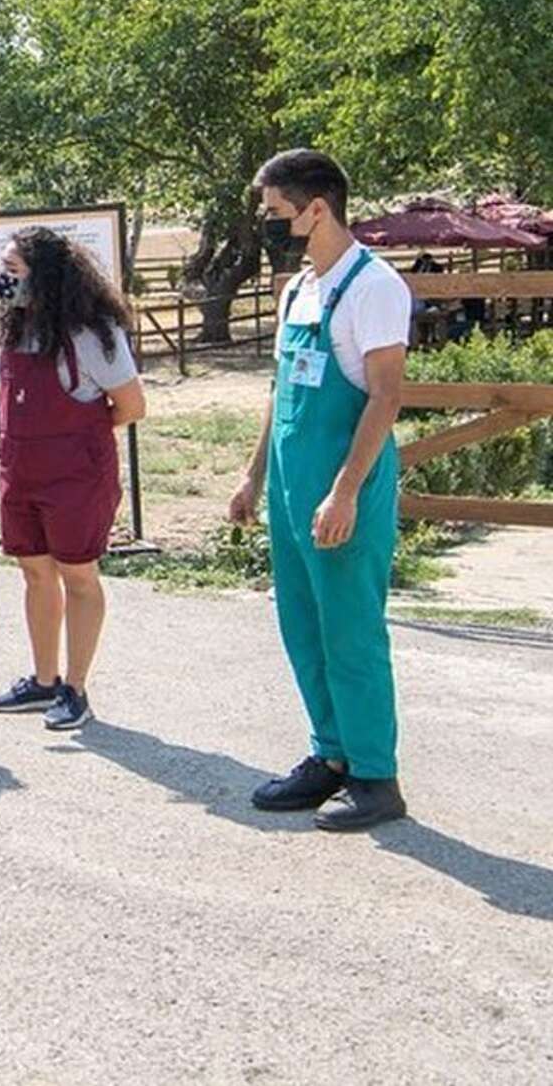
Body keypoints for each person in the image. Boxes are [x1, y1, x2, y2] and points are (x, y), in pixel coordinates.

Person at [230, 148, 411, 831]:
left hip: (345, 483)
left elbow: (386, 397)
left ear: (317, 208)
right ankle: (329, 755)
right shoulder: (297, 288)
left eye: (276, 212)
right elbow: (283, 392)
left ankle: (375, 775)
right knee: (302, 624)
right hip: (289, 483)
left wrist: (344, 491)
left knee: (351, 631)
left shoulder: (375, 286)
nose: (267, 223)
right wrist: (253, 475)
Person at [0, 226, 146, 731]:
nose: (4, 281)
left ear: (47, 276)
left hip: (77, 477)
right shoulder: (12, 326)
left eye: (13, 271)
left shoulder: (93, 332)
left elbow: (131, 405)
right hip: (21, 473)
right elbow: (3, 396)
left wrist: (77, 438)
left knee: (78, 575)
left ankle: (76, 689)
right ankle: (44, 679)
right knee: (34, 572)